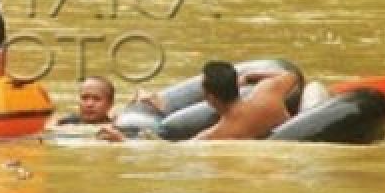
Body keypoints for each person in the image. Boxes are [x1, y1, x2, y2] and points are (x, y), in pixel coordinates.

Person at [98, 62, 299, 142]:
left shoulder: (219, 133)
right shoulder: (268, 93)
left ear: (210, 99)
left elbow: (169, 152)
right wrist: (251, 76)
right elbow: (291, 75)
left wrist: (121, 140)